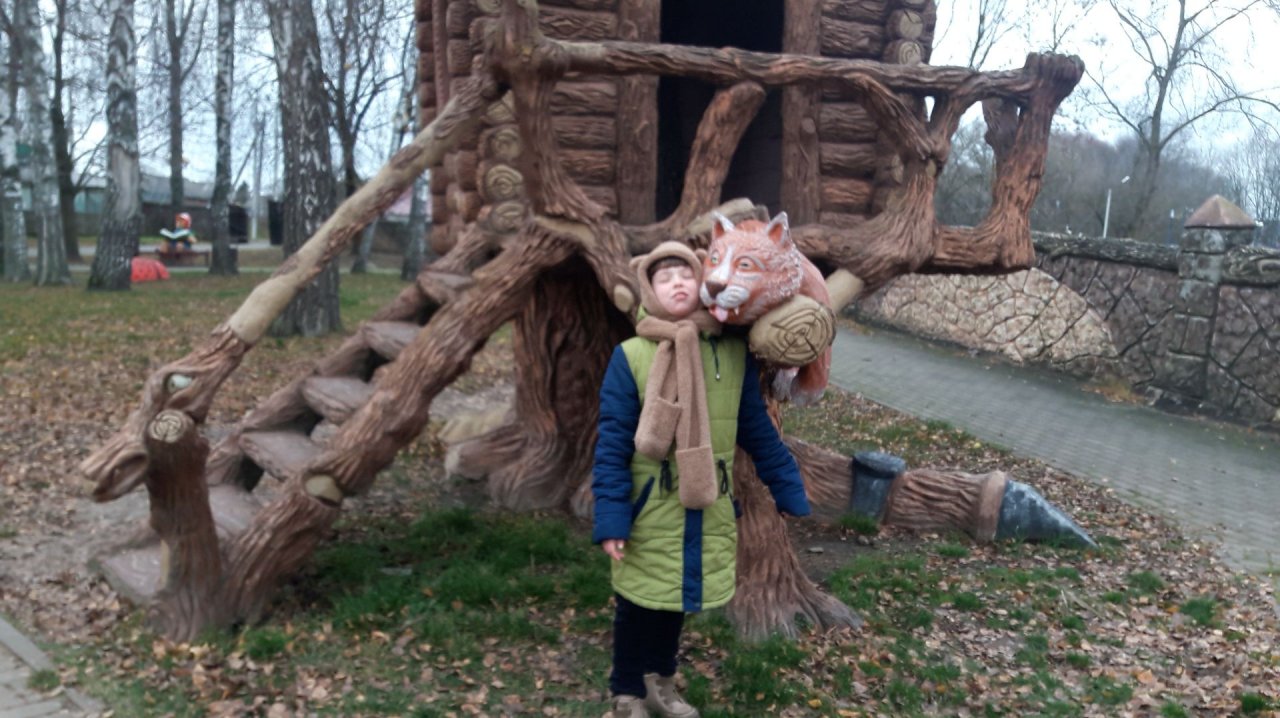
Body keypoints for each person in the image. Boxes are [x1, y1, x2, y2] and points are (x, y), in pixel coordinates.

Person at [592, 241, 812, 718]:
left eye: (684, 275)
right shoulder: (631, 355)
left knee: (676, 601)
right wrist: (611, 517)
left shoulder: (731, 354)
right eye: (663, 278)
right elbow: (611, 444)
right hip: (649, 506)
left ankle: (661, 686)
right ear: (649, 291)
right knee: (637, 602)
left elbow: (756, 428)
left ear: (701, 285)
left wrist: (786, 485)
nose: (676, 283)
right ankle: (627, 692)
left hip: (707, 501)